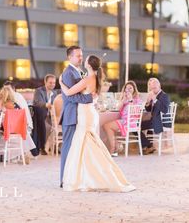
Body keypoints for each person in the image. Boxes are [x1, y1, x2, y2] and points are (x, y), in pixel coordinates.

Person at [59, 54, 135, 192]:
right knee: (89, 143)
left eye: (85, 59)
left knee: (85, 143)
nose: (83, 60)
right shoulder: (97, 78)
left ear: (88, 65)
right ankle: (91, 173)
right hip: (90, 113)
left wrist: (61, 83)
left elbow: (69, 93)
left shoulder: (87, 79)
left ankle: (89, 176)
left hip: (85, 114)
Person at [59, 46, 94, 187]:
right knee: (68, 147)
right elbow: (71, 97)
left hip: (78, 115)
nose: (81, 58)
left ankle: (73, 177)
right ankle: (63, 179)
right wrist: (89, 98)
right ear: (70, 57)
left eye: (81, 55)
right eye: (78, 56)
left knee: (76, 148)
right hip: (70, 115)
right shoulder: (68, 73)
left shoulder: (77, 72)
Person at [103, 81, 142, 156]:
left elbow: (136, 112)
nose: (128, 89)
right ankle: (115, 147)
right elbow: (117, 108)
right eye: (126, 88)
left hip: (130, 123)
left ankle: (113, 148)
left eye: (130, 88)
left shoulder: (137, 100)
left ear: (134, 89)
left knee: (107, 126)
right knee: (106, 126)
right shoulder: (125, 100)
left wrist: (131, 100)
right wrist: (123, 100)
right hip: (124, 121)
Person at [140, 78, 170, 155]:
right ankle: (149, 145)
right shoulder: (154, 95)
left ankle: (148, 145)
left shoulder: (164, 95)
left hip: (160, 122)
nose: (153, 90)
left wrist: (155, 100)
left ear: (159, 86)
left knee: (136, 127)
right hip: (154, 120)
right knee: (135, 126)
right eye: (152, 88)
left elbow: (165, 110)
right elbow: (148, 109)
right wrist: (148, 102)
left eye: (155, 88)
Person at [32, 74, 58, 156]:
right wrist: (47, 105)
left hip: (51, 116)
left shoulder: (55, 93)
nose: (52, 85)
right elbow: (38, 102)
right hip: (40, 115)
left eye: (54, 83)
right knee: (47, 126)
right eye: (50, 83)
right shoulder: (39, 91)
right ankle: (43, 147)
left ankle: (55, 147)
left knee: (58, 124)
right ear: (45, 82)